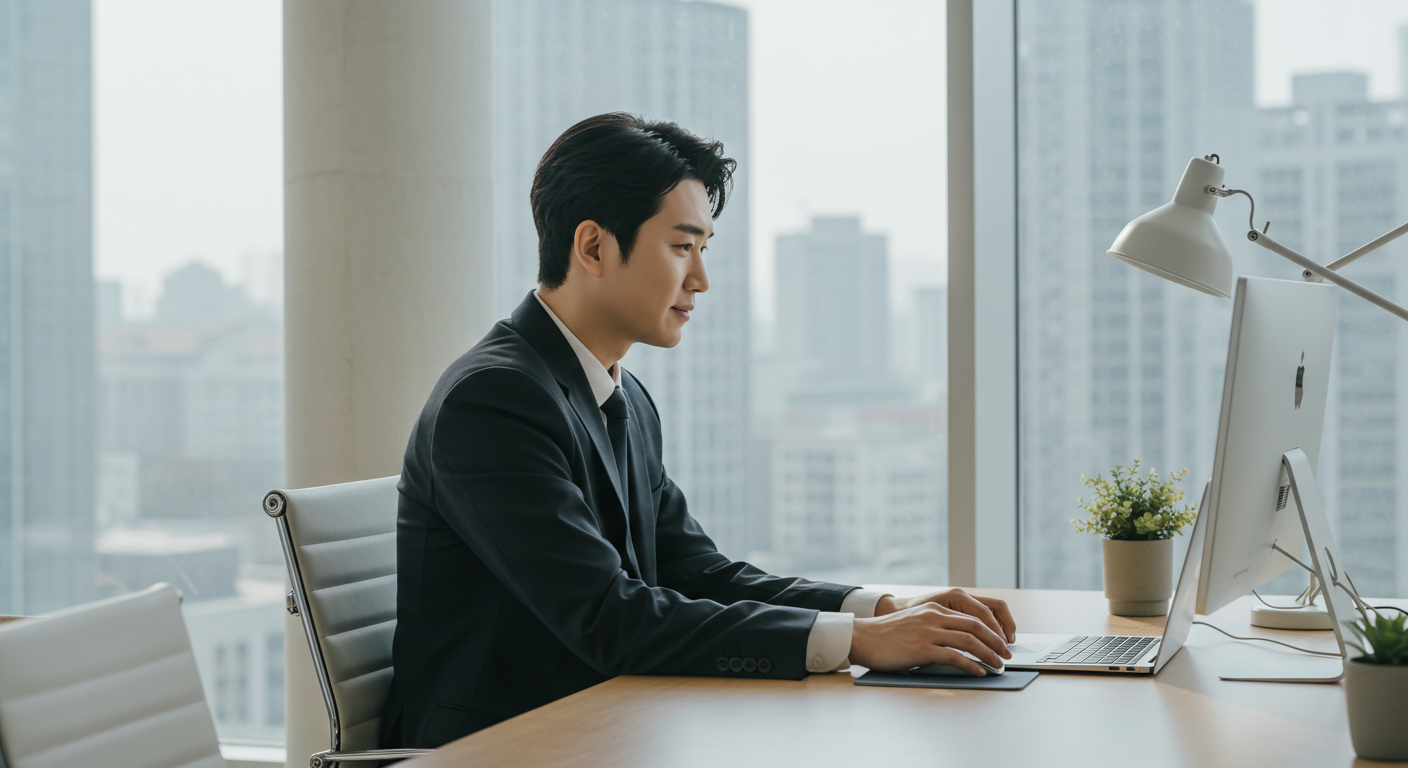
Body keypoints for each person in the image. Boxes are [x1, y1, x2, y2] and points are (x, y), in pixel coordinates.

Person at [381, 113, 1017, 748]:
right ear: (594, 247)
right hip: (503, 747)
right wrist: (858, 644)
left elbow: (699, 572)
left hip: (609, 726)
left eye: (703, 249)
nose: (701, 279)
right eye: (682, 246)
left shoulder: (618, 394)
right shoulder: (494, 400)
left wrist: (877, 610)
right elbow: (608, 618)